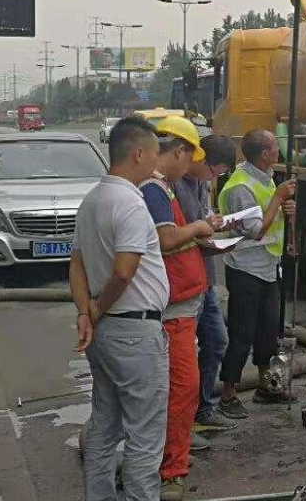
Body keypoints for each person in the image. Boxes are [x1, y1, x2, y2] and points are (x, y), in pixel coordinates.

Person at [70, 116, 170, 501]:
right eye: (155, 155)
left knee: (104, 426)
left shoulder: (93, 198)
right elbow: (124, 272)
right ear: (139, 153)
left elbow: (76, 262)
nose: (157, 164)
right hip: (133, 332)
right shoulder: (129, 202)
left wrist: (85, 311)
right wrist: (95, 307)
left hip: (106, 333)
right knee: (145, 437)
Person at [138, 116, 217, 500]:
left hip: (183, 303)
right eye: (189, 158)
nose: (191, 168)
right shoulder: (154, 189)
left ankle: (168, 460)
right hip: (173, 311)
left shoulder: (163, 188)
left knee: (179, 389)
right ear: (179, 151)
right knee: (182, 389)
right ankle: (171, 469)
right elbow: (167, 239)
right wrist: (201, 229)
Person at [216, 129, 296, 419]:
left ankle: (267, 386)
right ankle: (228, 394)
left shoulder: (266, 176)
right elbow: (256, 230)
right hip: (246, 269)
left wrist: (286, 211)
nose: (279, 151)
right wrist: (277, 198)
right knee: (242, 332)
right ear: (264, 154)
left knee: (268, 330)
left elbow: (272, 222)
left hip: (268, 266)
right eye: (275, 147)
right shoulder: (240, 187)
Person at [174, 135, 238, 446]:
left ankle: (202, 410)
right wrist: (202, 228)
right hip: (183, 284)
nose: (215, 178)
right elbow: (171, 236)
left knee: (216, 342)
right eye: (215, 171)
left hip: (205, 279)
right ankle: (179, 429)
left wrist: (212, 222)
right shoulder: (171, 185)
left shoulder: (201, 183)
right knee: (180, 359)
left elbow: (201, 219)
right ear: (200, 158)